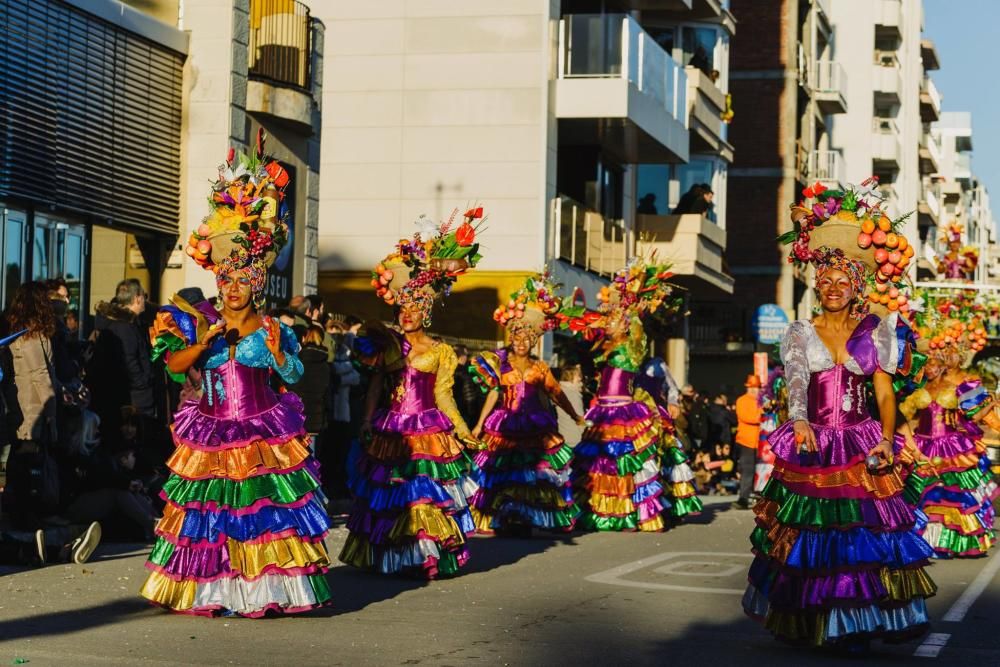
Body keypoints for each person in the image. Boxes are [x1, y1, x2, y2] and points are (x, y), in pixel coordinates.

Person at [139, 142, 332, 616]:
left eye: (242, 281)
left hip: (261, 429)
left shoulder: (273, 329)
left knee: (260, 515)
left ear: (255, 284)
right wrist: (206, 344)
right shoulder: (198, 321)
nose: (232, 288)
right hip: (211, 427)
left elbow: (295, 372)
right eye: (226, 280)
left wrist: (275, 355)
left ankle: (262, 591)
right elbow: (173, 367)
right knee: (212, 516)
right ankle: (215, 591)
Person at [743, 186, 934, 650]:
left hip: (861, 440)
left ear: (856, 288)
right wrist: (800, 420)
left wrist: (886, 440)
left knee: (859, 536)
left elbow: (884, 394)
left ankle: (857, 621)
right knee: (813, 537)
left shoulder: (876, 332)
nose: (830, 288)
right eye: (824, 281)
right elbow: (794, 382)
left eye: (840, 282)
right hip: (814, 442)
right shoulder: (799, 332)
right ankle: (815, 622)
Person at [340, 206, 485, 578]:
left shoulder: (440, 352)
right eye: (404, 305)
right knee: (389, 495)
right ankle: (389, 555)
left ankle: (422, 555)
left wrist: (463, 430)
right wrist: (368, 420)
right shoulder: (387, 344)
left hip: (427, 430)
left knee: (422, 495)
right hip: (392, 428)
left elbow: (444, 396)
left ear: (427, 312)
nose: (408, 313)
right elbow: (376, 384)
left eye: (416, 306)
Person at [468, 273, 585, 535]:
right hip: (506, 421)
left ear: (533, 342)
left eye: (527, 339)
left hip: (533, 423)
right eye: (517, 338)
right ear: (511, 338)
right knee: (504, 471)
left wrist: (575, 415)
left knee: (532, 473)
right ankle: (502, 516)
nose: (521, 343)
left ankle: (527, 516)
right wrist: (478, 425)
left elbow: (556, 394)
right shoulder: (501, 363)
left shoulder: (539, 367)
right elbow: (493, 394)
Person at [568, 258, 678, 531]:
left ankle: (627, 513)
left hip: (623, 411)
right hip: (603, 410)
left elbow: (638, 333)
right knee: (598, 464)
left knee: (623, 463)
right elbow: (584, 338)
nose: (610, 323)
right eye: (610, 320)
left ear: (626, 326)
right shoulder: (603, 348)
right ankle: (599, 512)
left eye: (615, 322)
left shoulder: (631, 350)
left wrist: (635, 303)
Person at [898, 302, 997, 557]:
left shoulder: (962, 384)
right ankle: (928, 540)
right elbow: (904, 417)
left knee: (951, 495)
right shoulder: (919, 388)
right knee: (926, 496)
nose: (930, 366)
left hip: (952, 445)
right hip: (923, 443)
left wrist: (982, 416)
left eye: (934, 362)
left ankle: (954, 541)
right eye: (928, 362)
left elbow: (976, 414)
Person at [88, 279, 155, 442]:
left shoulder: (121, 323)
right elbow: (129, 361)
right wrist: (142, 382)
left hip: (126, 395)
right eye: (144, 296)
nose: (145, 301)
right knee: (133, 443)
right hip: (133, 399)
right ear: (137, 298)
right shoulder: (124, 327)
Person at [637, 357, 703, 520]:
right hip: (638, 419)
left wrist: (672, 403)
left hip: (657, 418)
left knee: (666, 460)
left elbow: (672, 389)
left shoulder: (657, 365)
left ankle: (671, 504)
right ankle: (647, 505)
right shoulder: (628, 364)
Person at [297, 324, 331, 449]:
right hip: (316, 418)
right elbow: (327, 393)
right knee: (313, 455)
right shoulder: (325, 364)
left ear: (303, 338)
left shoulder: (297, 361)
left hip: (297, 416)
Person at [732, 375, 762, 509]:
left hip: (761, 443)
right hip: (746, 441)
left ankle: (759, 497)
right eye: (754, 388)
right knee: (747, 470)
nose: (756, 390)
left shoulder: (761, 401)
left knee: (761, 470)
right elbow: (747, 417)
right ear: (748, 388)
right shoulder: (741, 400)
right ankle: (743, 498)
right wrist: (763, 413)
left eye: (758, 388)